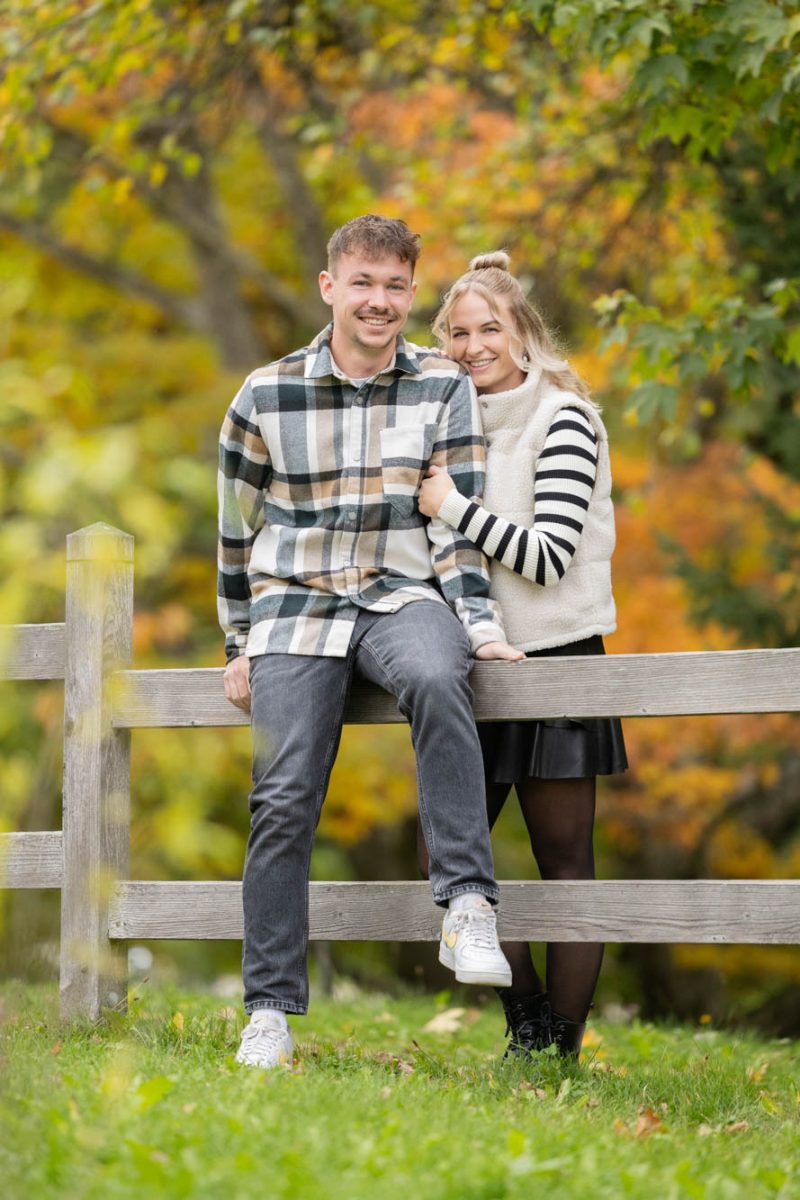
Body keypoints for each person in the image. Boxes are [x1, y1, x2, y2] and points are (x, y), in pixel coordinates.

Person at [218, 216, 522, 1070]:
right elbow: (235, 530)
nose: (378, 301)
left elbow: (454, 526)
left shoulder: (442, 387)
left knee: (437, 675)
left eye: (395, 286)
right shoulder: (264, 394)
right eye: (363, 283)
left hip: (401, 594)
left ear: (412, 292)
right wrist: (238, 641)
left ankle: (467, 904)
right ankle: (268, 1012)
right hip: (295, 608)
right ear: (330, 287)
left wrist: (480, 626)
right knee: (282, 794)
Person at [418, 252, 627, 1060]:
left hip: (556, 662)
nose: (474, 346)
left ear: (524, 332)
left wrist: (452, 505)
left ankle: (561, 1048)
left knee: (564, 864)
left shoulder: (564, 419)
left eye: (489, 329)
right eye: (458, 333)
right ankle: (527, 1024)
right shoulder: (450, 424)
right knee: (444, 854)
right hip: (476, 669)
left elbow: (547, 556)